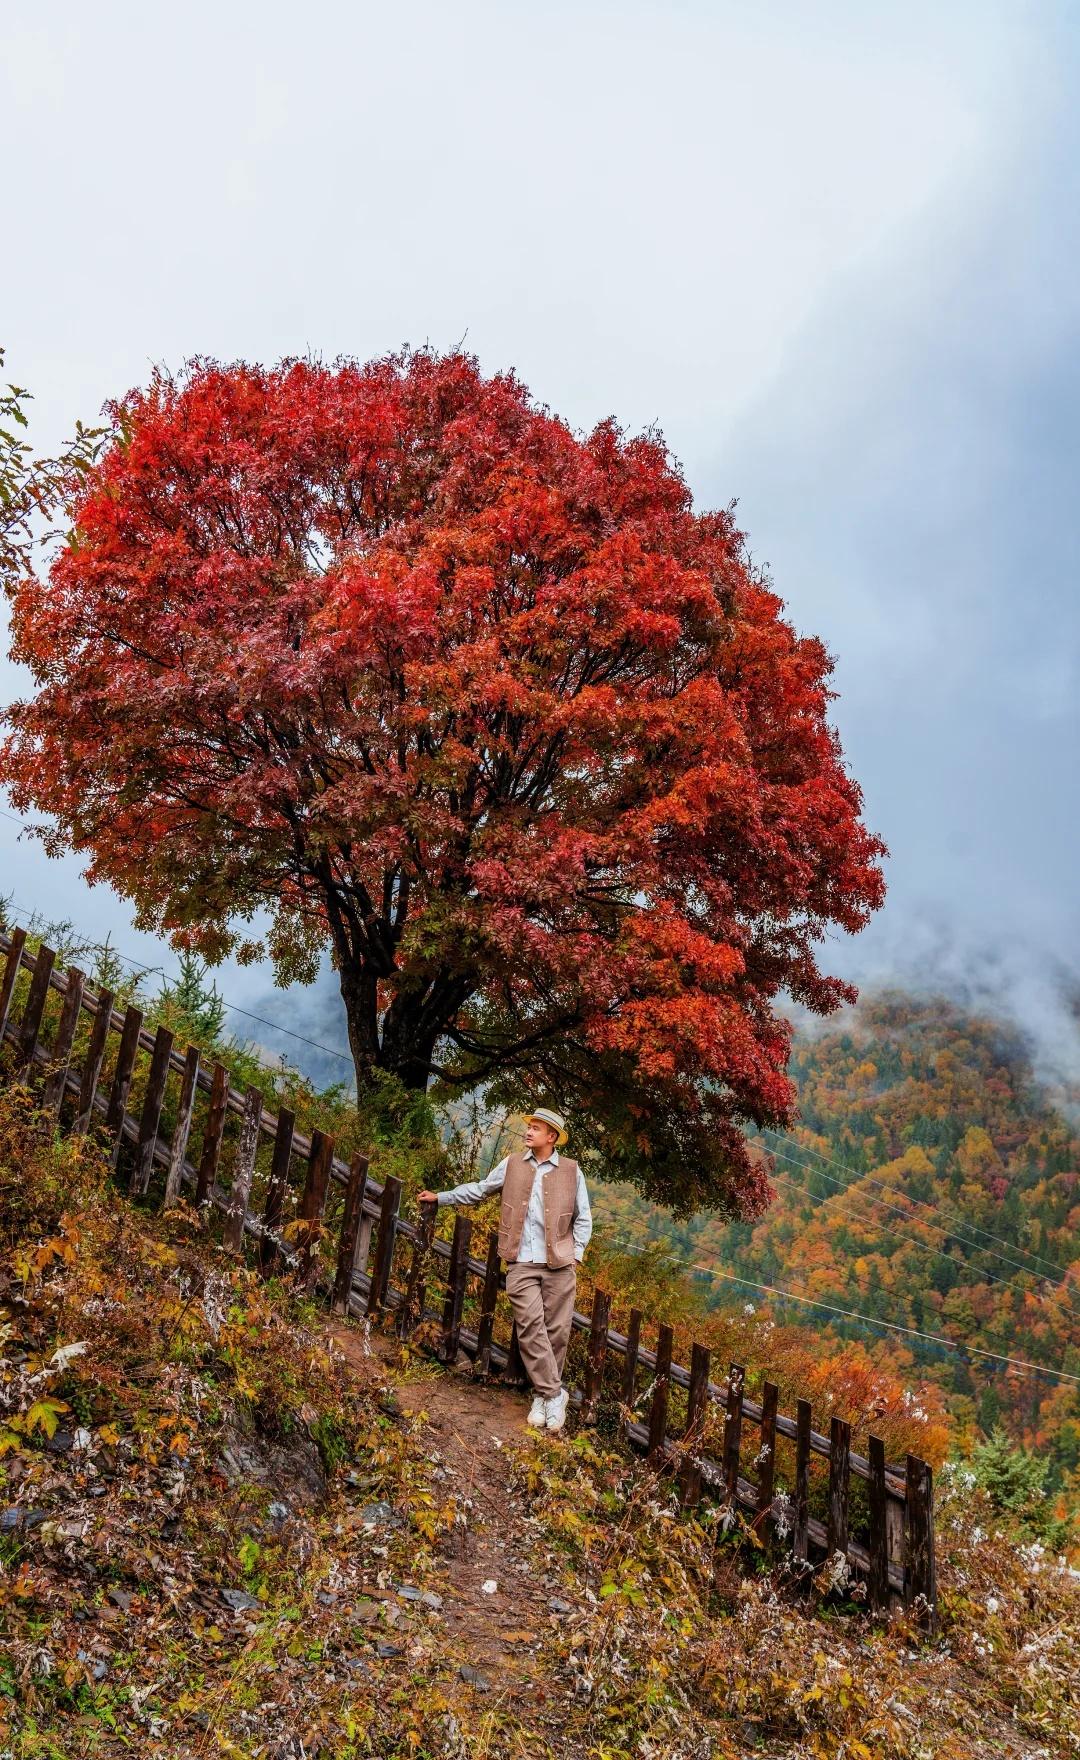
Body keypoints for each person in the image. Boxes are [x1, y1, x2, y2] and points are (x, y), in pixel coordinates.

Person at [417, 1108, 592, 1432]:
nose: (528, 1132)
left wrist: (576, 1254)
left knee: (556, 1332)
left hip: (560, 1264)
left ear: (551, 1137)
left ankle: (543, 1397)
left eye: (536, 1129)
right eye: (529, 1128)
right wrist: (441, 1197)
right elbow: (480, 1189)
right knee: (528, 1325)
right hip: (521, 1261)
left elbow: (584, 1218)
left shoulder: (572, 1171)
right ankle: (555, 1394)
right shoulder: (512, 1164)